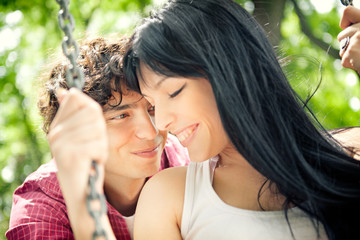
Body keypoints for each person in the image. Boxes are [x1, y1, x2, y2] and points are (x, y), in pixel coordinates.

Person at [120, 1, 360, 239]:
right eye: (153, 105)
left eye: (174, 92)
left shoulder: (350, 152)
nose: (160, 123)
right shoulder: (169, 197)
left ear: (229, 70)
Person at [5, 37, 189, 240]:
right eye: (121, 116)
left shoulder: (185, 161)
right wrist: (82, 203)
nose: (152, 131)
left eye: (152, 108)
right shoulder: (41, 207)